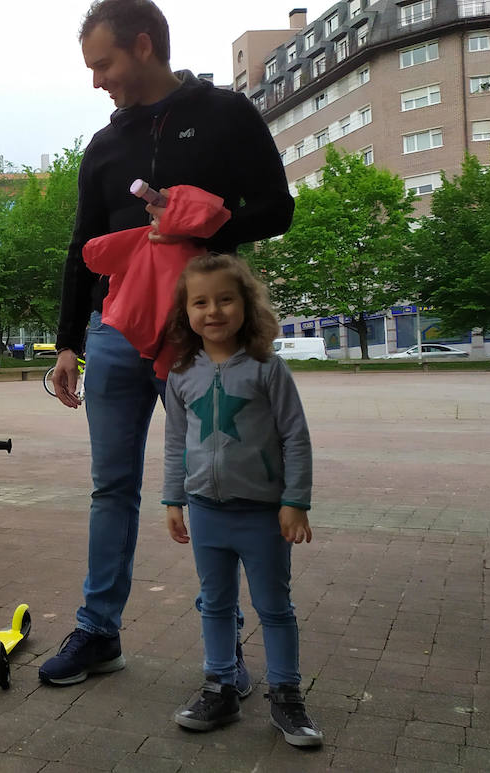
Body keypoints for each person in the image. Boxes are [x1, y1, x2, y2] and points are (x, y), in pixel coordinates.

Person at [41, 0, 294, 686]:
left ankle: (225, 653)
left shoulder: (225, 115)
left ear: (144, 46)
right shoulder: (103, 146)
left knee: (220, 488)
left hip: (203, 335)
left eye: (105, 63)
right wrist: (69, 341)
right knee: (110, 487)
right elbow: (79, 248)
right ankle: (99, 631)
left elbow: (279, 206)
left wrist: (206, 220)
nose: (97, 80)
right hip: (116, 334)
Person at [161, 253, 322, 747]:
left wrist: (295, 501)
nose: (213, 311)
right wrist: (173, 498)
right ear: (185, 313)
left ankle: (287, 696)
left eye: (225, 299)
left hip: (262, 514)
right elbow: (173, 440)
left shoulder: (267, 369)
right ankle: (221, 686)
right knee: (215, 603)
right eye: (200, 302)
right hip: (206, 511)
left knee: (274, 606)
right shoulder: (180, 373)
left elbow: (295, 437)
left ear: (246, 306)